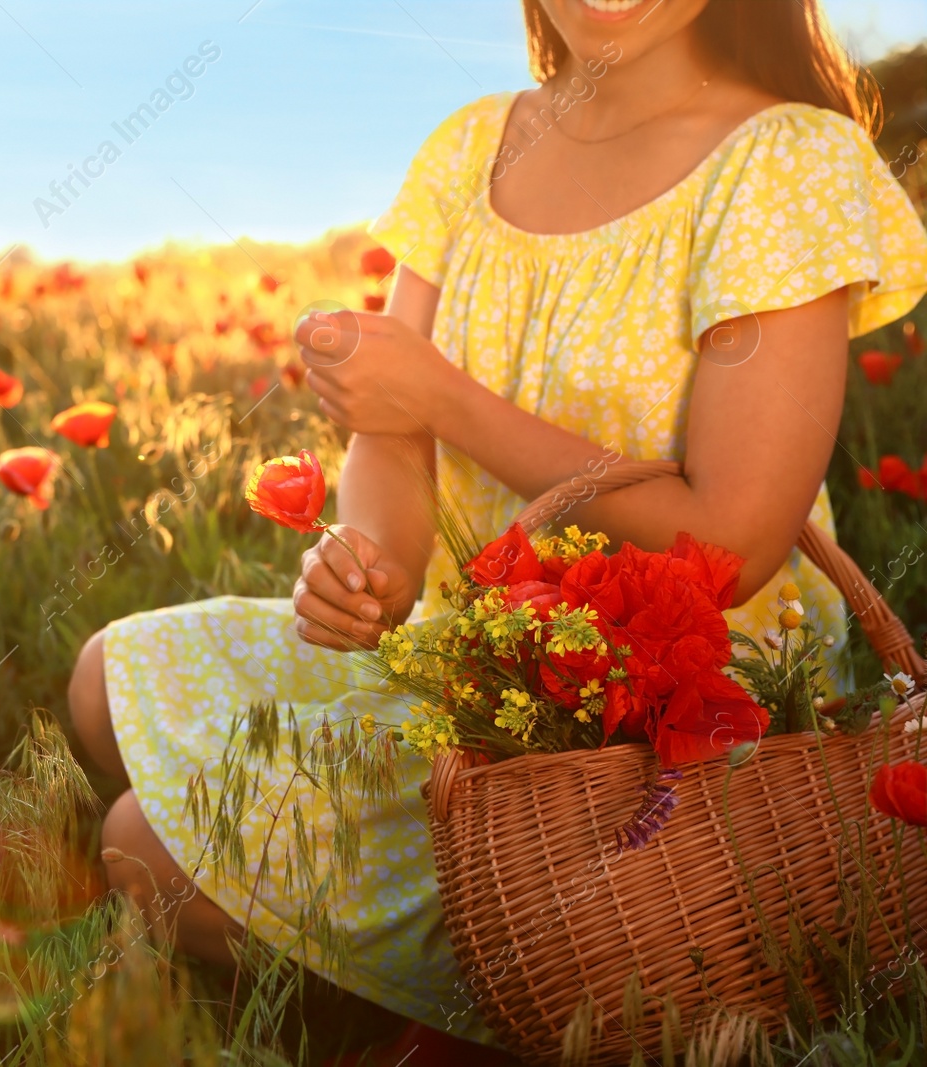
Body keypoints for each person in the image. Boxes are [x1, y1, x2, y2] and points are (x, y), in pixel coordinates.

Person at [67, 0, 927, 1053]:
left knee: (142, 852)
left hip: (662, 730)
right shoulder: (471, 145)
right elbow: (392, 431)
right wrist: (374, 561)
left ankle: (516, 982)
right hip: (464, 671)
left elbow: (732, 545)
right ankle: (480, 977)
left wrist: (447, 399)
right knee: (103, 677)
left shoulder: (786, 163)